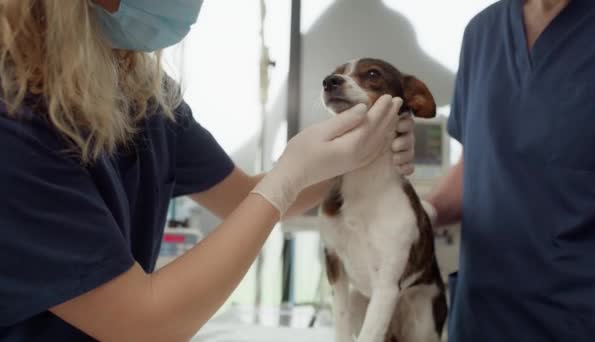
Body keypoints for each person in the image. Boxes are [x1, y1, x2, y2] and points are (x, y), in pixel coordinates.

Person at [0, 0, 417, 340]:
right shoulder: (12, 122)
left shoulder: (144, 95)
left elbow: (244, 196)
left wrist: (354, 157)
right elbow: (143, 323)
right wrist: (288, 176)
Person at [422, 0, 595, 340]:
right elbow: (478, 169)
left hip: (583, 319)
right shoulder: (481, 34)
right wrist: (417, 218)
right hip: (483, 319)